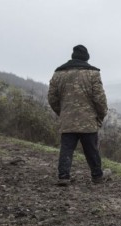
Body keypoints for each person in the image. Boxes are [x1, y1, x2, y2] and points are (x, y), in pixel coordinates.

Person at [48, 44, 108, 186]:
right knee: (91, 149)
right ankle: (97, 176)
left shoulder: (58, 73)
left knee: (66, 149)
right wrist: (101, 114)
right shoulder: (93, 74)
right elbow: (99, 98)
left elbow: (52, 98)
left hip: (67, 120)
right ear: (86, 58)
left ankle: (63, 176)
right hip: (88, 120)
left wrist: (62, 112)